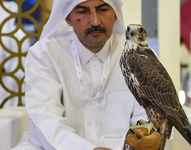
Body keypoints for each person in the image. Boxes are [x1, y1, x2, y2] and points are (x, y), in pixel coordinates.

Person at [12, 0, 161, 150]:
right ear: (68, 18)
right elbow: (46, 119)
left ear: (115, 14)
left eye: (102, 9)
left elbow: (147, 117)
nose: (95, 21)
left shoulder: (139, 57)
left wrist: (152, 136)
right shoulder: (45, 54)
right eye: (82, 12)